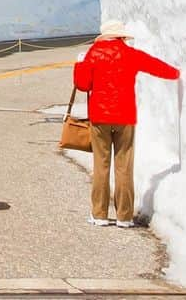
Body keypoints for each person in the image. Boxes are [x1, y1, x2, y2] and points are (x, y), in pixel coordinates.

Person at [73, 18, 180, 228]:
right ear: (121, 37)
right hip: (125, 117)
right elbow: (155, 66)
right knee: (124, 167)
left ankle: (99, 215)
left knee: (101, 166)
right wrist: (176, 74)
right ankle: (124, 217)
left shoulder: (93, 54)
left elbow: (83, 85)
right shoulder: (130, 54)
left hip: (100, 118)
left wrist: (80, 64)